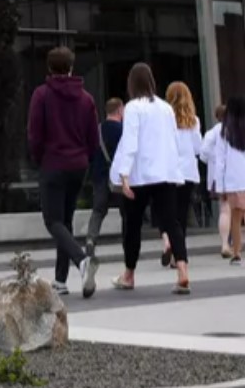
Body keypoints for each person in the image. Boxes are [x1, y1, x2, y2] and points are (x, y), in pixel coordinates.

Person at [108, 62, 190, 294]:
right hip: (165, 174)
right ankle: (182, 269)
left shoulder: (133, 107)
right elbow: (173, 141)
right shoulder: (165, 108)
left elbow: (130, 142)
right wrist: (175, 172)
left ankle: (129, 274)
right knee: (171, 223)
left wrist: (124, 175)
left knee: (132, 226)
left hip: (140, 175)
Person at [27, 46, 100, 297]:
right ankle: (60, 280)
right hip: (78, 165)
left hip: (53, 163)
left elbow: (35, 134)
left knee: (53, 221)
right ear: (71, 67)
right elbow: (94, 137)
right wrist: (85, 159)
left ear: (49, 68)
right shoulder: (86, 99)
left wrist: (39, 159)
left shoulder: (41, 95)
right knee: (65, 221)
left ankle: (82, 261)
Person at [210, 95, 245, 267]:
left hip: (233, 180)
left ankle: (236, 253)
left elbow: (220, 161)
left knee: (236, 217)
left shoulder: (224, 130)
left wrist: (220, 186)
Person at [165, 81, 203, 269]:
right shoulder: (194, 121)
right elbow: (198, 148)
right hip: (188, 171)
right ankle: (178, 254)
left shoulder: (166, 119)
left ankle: (169, 243)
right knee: (182, 214)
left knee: (169, 214)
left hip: (171, 171)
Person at [85, 97, 123, 248]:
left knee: (98, 210)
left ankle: (90, 239)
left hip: (99, 176)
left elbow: (90, 153)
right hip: (118, 177)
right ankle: (128, 241)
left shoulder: (97, 130)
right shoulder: (123, 130)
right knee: (125, 210)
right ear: (119, 110)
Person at [200, 105, 232, 262]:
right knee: (241, 210)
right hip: (235, 174)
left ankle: (225, 243)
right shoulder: (235, 130)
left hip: (217, 176)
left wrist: (215, 159)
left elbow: (203, 153)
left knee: (224, 209)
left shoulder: (211, 133)